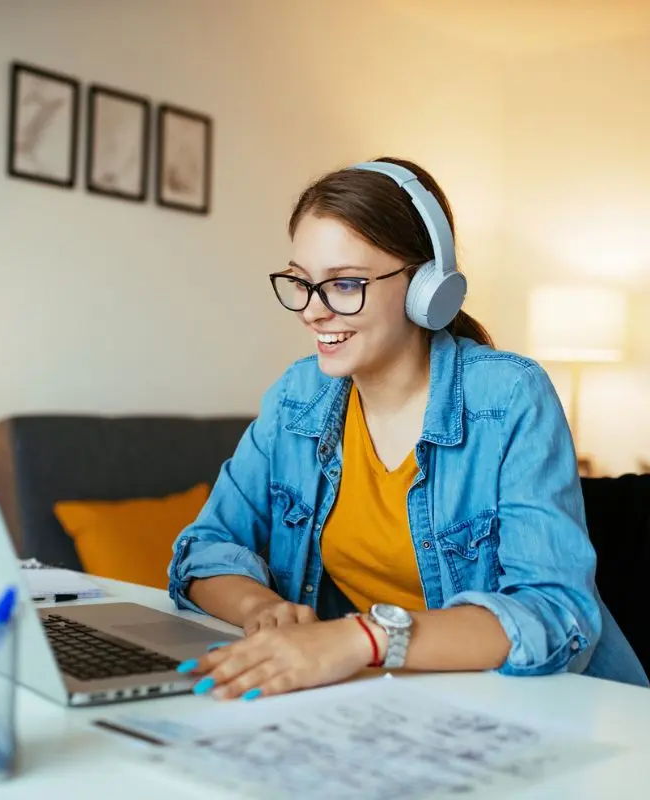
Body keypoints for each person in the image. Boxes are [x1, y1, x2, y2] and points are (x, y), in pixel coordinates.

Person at [167, 157, 648, 701]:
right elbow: (206, 548)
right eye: (301, 283)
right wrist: (264, 610)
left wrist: (358, 639)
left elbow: (557, 616)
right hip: (391, 700)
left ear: (427, 287)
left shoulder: (508, 397)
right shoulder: (297, 397)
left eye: (345, 284)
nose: (313, 312)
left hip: (552, 708)